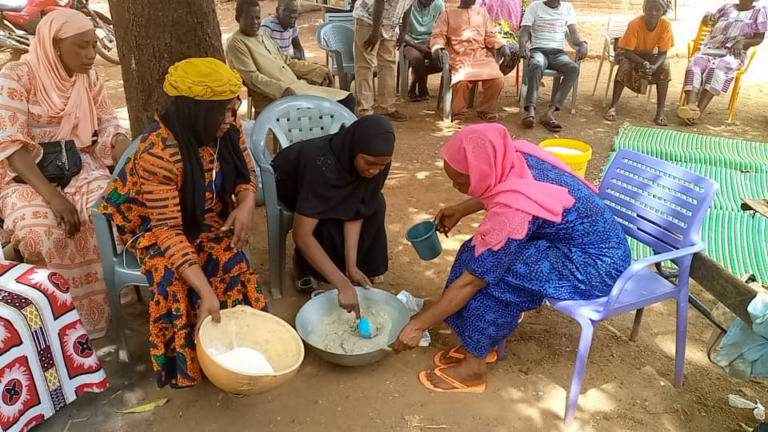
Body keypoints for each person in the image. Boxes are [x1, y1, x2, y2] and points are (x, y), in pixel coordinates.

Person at [390, 124, 632, 392]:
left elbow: (474, 279)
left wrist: (419, 324)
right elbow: (510, 186)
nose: (455, 186)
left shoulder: (512, 213)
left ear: (483, 171)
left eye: (459, 181)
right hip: (591, 246)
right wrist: (463, 208)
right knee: (479, 253)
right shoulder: (512, 154)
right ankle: (478, 340)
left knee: (490, 274)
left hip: (594, 268)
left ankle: (474, 367)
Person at [99, 58, 267, 388]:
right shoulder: (159, 151)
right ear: (196, 112)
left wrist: (246, 202)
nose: (233, 119)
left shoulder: (227, 130)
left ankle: (226, 351)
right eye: (226, 111)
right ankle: (187, 364)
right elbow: (168, 231)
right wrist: (205, 290)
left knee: (229, 259)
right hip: (151, 225)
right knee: (171, 278)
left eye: (236, 108)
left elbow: (245, 175)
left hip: (201, 215)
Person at [0, 9, 131, 338]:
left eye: (93, 46)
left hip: (81, 164)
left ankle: (101, 315)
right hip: (27, 176)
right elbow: (11, 146)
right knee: (43, 232)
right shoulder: (17, 76)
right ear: (55, 46)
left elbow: (106, 123)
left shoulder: (89, 78)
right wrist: (55, 198)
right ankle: (55, 320)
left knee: (107, 216)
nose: (90, 55)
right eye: (82, 47)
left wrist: (121, 143)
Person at [272, 115, 394, 314]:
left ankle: (356, 270)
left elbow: (357, 210)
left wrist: (351, 266)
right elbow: (302, 235)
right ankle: (304, 265)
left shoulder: (378, 164)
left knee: (376, 204)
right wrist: (342, 284)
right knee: (328, 219)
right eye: (370, 163)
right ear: (355, 149)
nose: (375, 171)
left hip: (329, 186)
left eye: (382, 165)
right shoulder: (321, 166)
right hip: (291, 184)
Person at [227, 0, 355, 114]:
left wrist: (316, 70)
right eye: (250, 18)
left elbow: (287, 62)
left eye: (257, 18)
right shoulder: (236, 43)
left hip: (296, 87)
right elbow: (251, 77)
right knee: (343, 105)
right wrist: (281, 89)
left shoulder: (261, 35)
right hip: (275, 97)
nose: (255, 22)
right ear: (238, 18)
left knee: (347, 100)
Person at [678, 0, 767, 124]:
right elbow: (710, 19)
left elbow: (759, 38)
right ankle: (691, 104)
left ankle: (698, 111)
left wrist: (743, 42)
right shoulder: (727, 7)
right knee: (695, 63)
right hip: (710, 48)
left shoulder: (759, 11)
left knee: (718, 68)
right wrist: (707, 16)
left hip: (733, 53)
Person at [431, 0, 514, 123]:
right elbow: (438, 35)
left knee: (497, 80)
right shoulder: (448, 13)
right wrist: (437, 47)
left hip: (481, 55)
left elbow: (490, 36)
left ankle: (485, 110)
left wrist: (502, 46)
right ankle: (459, 112)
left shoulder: (482, 13)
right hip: (458, 55)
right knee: (461, 80)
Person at [519, 0, 588, 132]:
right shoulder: (535, 7)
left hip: (558, 53)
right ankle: (530, 111)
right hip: (538, 50)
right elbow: (524, 30)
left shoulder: (567, 8)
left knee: (573, 69)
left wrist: (583, 43)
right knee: (536, 64)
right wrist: (522, 44)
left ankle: (549, 113)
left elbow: (574, 35)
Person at [604, 0, 674, 126]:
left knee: (665, 66)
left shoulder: (665, 25)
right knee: (624, 65)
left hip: (648, 54)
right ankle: (613, 107)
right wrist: (643, 63)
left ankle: (660, 113)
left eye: (658, 10)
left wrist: (653, 67)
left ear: (663, 12)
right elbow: (627, 52)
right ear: (644, 9)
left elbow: (663, 53)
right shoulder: (635, 23)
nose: (653, 13)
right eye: (650, 9)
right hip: (627, 52)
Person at [353, 0, 412, 121]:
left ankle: (386, 108)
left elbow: (409, 4)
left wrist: (404, 30)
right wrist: (375, 32)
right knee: (365, 65)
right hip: (368, 20)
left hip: (390, 23)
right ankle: (365, 110)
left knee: (388, 64)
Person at [402, 0, 444, 102]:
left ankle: (414, 81)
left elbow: (441, 29)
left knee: (440, 61)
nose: (430, 2)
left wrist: (435, 43)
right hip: (411, 42)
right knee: (417, 59)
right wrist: (417, 46)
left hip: (431, 40)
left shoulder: (438, 4)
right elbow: (402, 33)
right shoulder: (408, 4)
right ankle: (422, 89)